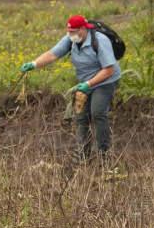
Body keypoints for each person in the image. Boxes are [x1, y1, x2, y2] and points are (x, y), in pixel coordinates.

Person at [22, 14, 121, 164]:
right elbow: (52, 55)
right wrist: (34, 64)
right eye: (69, 32)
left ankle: (103, 154)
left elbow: (108, 70)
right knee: (81, 117)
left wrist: (89, 84)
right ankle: (83, 154)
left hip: (105, 81)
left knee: (97, 113)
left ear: (82, 29)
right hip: (85, 82)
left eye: (73, 32)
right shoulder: (70, 39)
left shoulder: (100, 41)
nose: (70, 35)